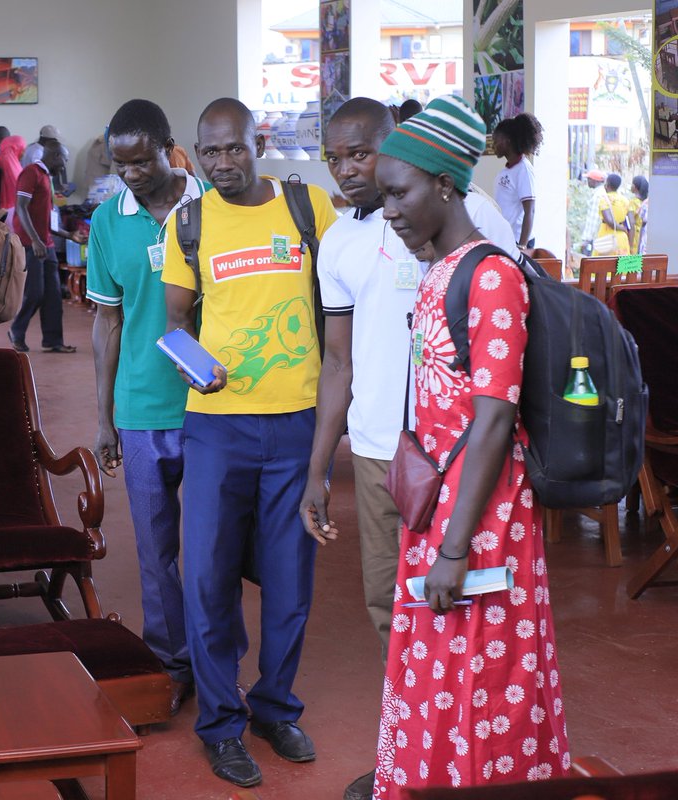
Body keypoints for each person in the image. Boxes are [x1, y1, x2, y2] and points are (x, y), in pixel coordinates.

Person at [301, 97, 520, 800]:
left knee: (463, 612)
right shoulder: (339, 241)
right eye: (335, 158)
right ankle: (415, 754)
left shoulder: (471, 223)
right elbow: (338, 364)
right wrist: (317, 469)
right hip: (377, 452)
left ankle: (456, 763)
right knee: (391, 611)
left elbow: (501, 349)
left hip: (458, 459)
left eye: (361, 154)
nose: (349, 170)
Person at [371, 95, 569, 798]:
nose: (387, 209)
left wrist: (455, 547)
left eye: (399, 193)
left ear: (446, 185)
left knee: (484, 679)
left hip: (481, 526)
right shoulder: (440, 270)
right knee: (442, 675)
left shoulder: (490, 276)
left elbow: (492, 420)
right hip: (442, 514)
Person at [161, 97, 337, 789]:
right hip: (216, 428)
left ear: (256, 142)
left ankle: (275, 708)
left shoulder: (307, 208)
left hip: (297, 424)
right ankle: (221, 724)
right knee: (206, 578)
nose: (222, 162)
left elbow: (337, 306)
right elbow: (175, 321)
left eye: (234, 148)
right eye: (210, 152)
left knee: (290, 583)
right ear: (197, 154)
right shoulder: (190, 221)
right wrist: (194, 369)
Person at [88, 99, 222, 719]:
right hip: (142, 408)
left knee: (216, 547)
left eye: (143, 161)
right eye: (122, 165)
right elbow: (107, 323)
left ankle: (216, 667)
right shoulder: (108, 222)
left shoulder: (215, 207)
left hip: (216, 408)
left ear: (170, 149)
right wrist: (104, 415)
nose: (133, 174)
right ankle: (170, 663)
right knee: (155, 550)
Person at [8, 140, 86, 354]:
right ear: (56, 156)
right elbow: (21, 208)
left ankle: (53, 341)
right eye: (65, 159)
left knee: (53, 295)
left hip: (47, 245)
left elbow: (48, 220)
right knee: (35, 293)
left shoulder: (46, 178)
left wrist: (69, 234)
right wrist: (34, 239)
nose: (65, 165)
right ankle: (16, 330)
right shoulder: (31, 173)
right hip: (30, 244)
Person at [492, 113, 543, 251]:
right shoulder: (505, 172)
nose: (493, 145)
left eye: (496, 140)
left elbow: (530, 211)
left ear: (507, 141)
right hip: (506, 239)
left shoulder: (524, 170)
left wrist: (522, 246)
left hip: (518, 242)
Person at [594, 173, 632, 256]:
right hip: (622, 238)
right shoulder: (625, 200)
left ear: (606, 184)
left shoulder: (604, 199)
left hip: (606, 238)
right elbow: (631, 223)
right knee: (622, 267)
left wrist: (621, 228)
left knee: (603, 266)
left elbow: (610, 221)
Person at [0, 134, 27, 219]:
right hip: (11, 211)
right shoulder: (13, 167)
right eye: (22, 149)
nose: (24, 153)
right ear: (15, 148)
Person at [629, 175, 648, 254]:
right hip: (644, 235)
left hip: (635, 236)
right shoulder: (646, 202)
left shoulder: (632, 202)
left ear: (635, 187)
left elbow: (631, 223)